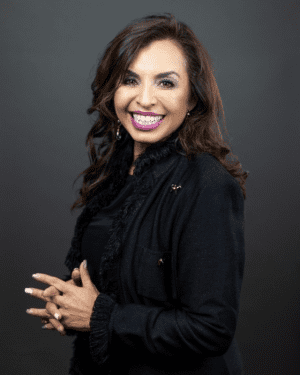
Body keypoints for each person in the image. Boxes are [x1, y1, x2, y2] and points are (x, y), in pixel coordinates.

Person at [25, 12, 249, 375]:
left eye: (165, 83)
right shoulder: (114, 173)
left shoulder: (207, 185)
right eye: (130, 80)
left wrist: (99, 315)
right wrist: (69, 303)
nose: (145, 99)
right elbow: (122, 282)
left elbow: (211, 330)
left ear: (192, 97)